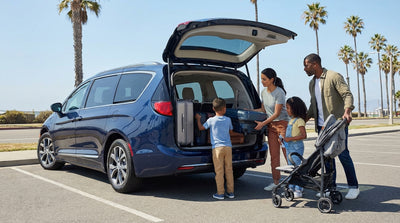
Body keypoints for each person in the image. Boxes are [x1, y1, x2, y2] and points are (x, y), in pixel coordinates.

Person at [303, 53, 360, 200]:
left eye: (306, 65)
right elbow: (313, 104)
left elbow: (347, 94)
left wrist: (347, 112)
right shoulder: (311, 83)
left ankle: (353, 187)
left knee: (343, 154)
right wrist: (304, 118)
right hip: (322, 126)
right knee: (326, 158)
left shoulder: (333, 76)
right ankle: (330, 187)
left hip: (337, 125)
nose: (304, 69)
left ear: (315, 64)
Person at [253, 68, 290, 191]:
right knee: (274, 156)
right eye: (261, 79)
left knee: (288, 155)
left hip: (282, 125)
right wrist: (248, 111)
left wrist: (262, 123)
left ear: (272, 79)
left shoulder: (279, 92)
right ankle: (276, 182)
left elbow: (276, 113)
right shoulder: (263, 92)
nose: (262, 81)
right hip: (271, 126)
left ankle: (296, 183)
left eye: (264, 79)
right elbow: (263, 111)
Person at [195, 98, 235, 200]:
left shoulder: (211, 120)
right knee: (229, 170)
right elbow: (231, 132)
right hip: (228, 147)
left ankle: (220, 193)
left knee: (219, 171)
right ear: (225, 109)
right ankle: (231, 192)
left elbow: (201, 128)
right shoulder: (228, 120)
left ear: (213, 108)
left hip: (217, 148)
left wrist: (198, 119)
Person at [281, 96, 308, 198]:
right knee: (291, 168)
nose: (286, 110)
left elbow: (304, 135)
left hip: (296, 147)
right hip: (289, 146)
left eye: (288, 108)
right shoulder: (291, 120)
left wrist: (290, 138)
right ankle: (290, 188)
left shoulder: (299, 121)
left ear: (294, 108)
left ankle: (298, 189)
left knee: (296, 168)